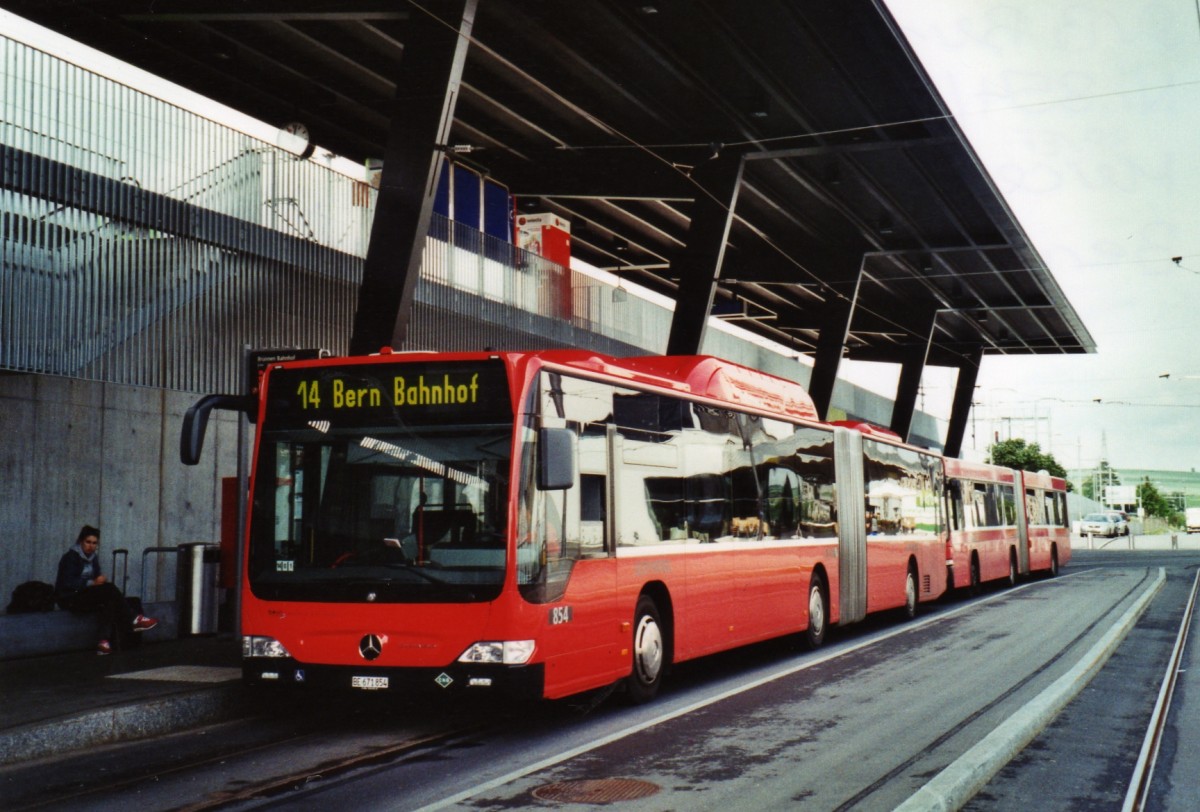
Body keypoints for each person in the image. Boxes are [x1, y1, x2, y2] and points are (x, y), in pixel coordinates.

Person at [55, 525, 158, 655]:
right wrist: (92, 582)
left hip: (84, 595)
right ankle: (134, 619)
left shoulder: (93, 558)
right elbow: (67, 583)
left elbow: (96, 580)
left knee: (110, 599)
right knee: (109, 590)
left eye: (94, 543)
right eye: (88, 542)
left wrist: (98, 582)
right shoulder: (71, 558)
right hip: (69, 597)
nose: (91, 546)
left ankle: (103, 643)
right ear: (81, 541)